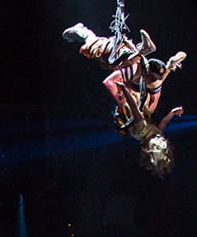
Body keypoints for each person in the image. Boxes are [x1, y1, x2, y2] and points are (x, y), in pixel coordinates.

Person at [62, 4, 187, 177]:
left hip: (142, 103)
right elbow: (136, 111)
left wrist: (173, 113)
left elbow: (158, 121)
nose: (161, 139)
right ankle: (156, 61)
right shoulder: (142, 132)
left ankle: (166, 68)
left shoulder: (152, 134)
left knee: (148, 89)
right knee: (97, 50)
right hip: (136, 103)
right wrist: (123, 90)